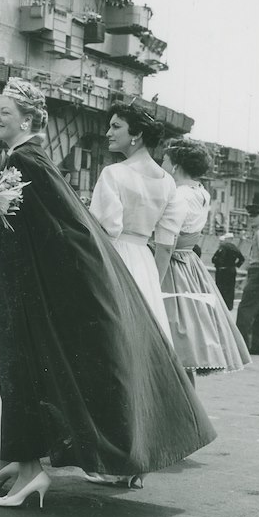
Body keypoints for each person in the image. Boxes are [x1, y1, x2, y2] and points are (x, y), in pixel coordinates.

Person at [0, 78, 216, 508]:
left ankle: (33, 464)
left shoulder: (67, 167)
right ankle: (24, 460)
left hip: (95, 262)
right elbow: (156, 239)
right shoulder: (163, 181)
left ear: (26, 120)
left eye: (4, 111)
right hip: (140, 264)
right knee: (127, 358)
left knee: (55, 362)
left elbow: (92, 228)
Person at [160, 139, 250, 383]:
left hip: (172, 265)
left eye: (165, 160)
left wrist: (153, 279)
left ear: (176, 165)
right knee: (186, 340)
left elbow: (167, 244)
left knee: (172, 338)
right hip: (190, 264)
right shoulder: (201, 192)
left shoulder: (178, 195)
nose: (162, 164)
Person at [89, 101, 180, 342]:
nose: (108, 133)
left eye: (116, 126)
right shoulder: (168, 182)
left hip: (114, 258)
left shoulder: (113, 173)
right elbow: (166, 245)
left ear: (137, 133)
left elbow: (104, 231)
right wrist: (152, 284)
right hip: (145, 264)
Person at [235, 203, 259, 356]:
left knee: (245, 309)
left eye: (255, 215)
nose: (251, 218)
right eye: (250, 215)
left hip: (258, 271)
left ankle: (241, 347)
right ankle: (258, 346)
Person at [212, 233, 245, 310]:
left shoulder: (223, 247)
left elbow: (217, 259)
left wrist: (218, 264)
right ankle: (229, 305)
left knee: (220, 288)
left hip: (222, 270)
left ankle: (221, 305)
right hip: (232, 270)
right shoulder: (235, 248)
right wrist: (236, 265)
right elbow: (242, 259)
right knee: (230, 288)